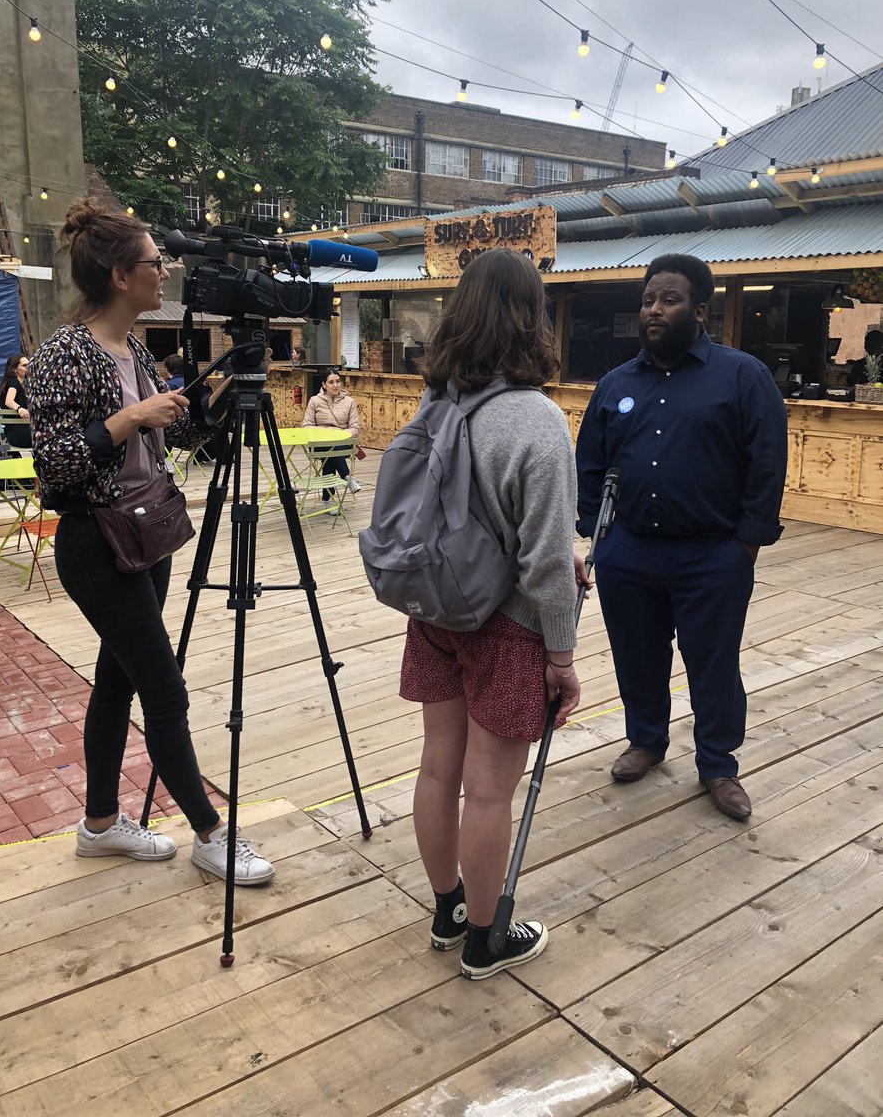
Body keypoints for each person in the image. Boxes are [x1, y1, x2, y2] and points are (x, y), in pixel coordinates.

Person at [25, 199, 273, 885]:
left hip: (146, 532)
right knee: (165, 691)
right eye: (154, 263)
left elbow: (181, 434)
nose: (164, 273)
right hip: (96, 542)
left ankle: (100, 825)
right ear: (118, 275)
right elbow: (54, 464)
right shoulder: (65, 354)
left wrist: (227, 386)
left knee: (117, 684)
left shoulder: (133, 348)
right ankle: (211, 832)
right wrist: (132, 415)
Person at [399, 248, 586, 980]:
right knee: (489, 790)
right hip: (508, 628)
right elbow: (544, 562)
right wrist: (562, 658)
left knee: (437, 769)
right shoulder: (537, 419)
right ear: (530, 316)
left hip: (434, 610)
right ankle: (486, 939)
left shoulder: (435, 401)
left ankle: (448, 909)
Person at [576, 253, 788, 821]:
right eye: (648, 300)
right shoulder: (616, 384)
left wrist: (745, 545)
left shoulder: (743, 376)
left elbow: (767, 462)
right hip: (629, 551)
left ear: (699, 310)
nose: (654, 309)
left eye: (669, 300)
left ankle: (718, 763)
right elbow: (590, 461)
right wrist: (597, 533)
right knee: (637, 656)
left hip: (712, 554)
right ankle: (646, 740)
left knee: (713, 664)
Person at [301, 368, 361, 495]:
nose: (335, 385)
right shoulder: (314, 401)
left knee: (331, 449)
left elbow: (355, 427)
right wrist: (329, 432)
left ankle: (328, 498)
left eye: (338, 381)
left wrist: (340, 435)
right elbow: (307, 426)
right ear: (324, 385)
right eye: (331, 382)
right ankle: (347, 477)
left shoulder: (349, 402)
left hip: (343, 443)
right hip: (319, 443)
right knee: (330, 448)